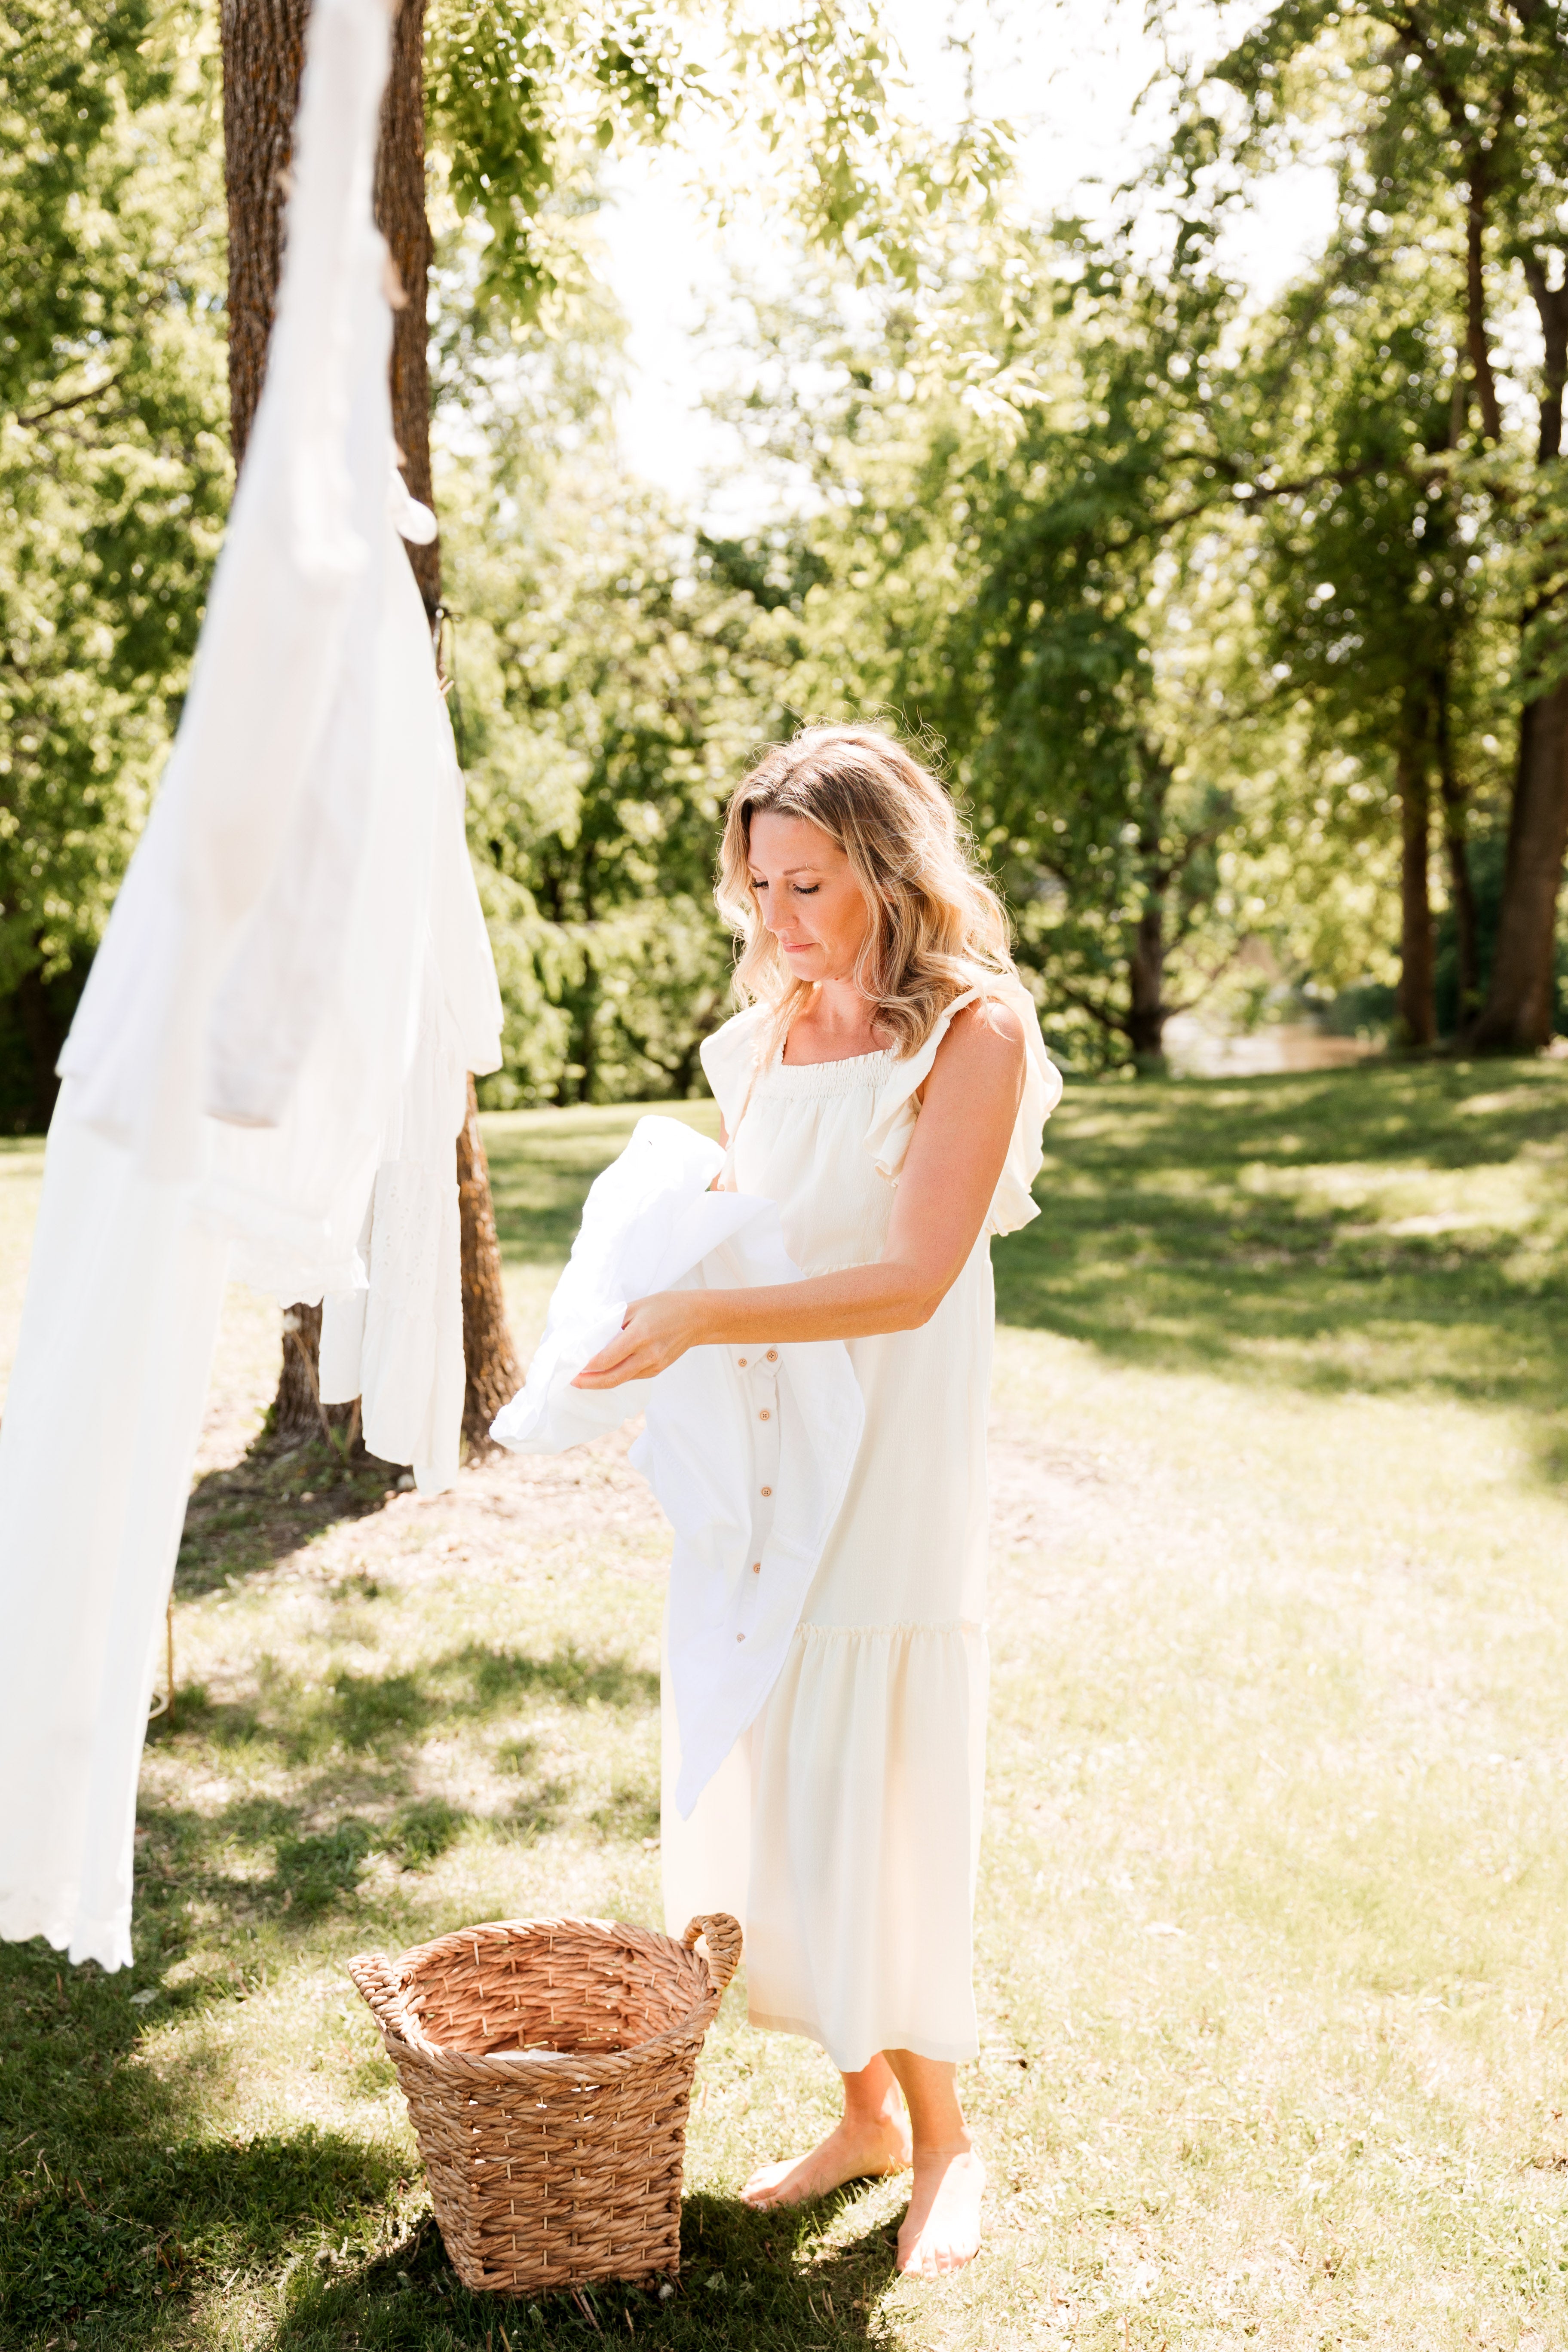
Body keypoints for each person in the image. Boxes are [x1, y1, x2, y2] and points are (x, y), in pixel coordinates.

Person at [574, 723, 1061, 2277]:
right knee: (778, 1764)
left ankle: (949, 2141)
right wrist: (649, 1272)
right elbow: (752, 1222)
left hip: (892, 1454)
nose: (776, 918)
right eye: (759, 884)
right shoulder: (773, 1029)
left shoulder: (973, 1033)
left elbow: (914, 1275)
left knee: (881, 1778)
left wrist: (706, 1318)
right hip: (769, 1454)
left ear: (888, 869)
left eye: (807, 883)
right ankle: (860, 2113)